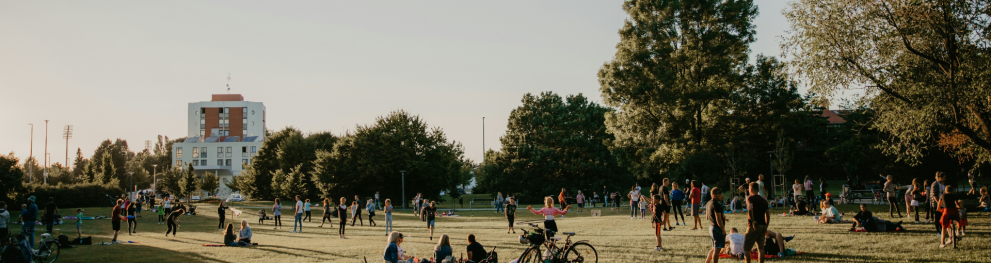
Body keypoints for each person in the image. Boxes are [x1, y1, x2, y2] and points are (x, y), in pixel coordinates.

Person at [744, 182, 770, 263]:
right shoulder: (764, 200)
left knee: (746, 248)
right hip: (763, 225)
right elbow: (768, 215)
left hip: (754, 226)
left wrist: (752, 221)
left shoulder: (750, 198)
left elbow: (750, 208)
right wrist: (766, 226)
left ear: (751, 190)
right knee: (761, 248)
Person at [705, 188, 727, 263]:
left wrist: (722, 217)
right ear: (714, 195)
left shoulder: (708, 203)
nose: (721, 195)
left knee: (714, 248)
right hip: (717, 229)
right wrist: (723, 230)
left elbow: (707, 217)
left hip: (711, 227)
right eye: (719, 194)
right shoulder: (716, 204)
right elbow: (718, 219)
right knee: (717, 250)